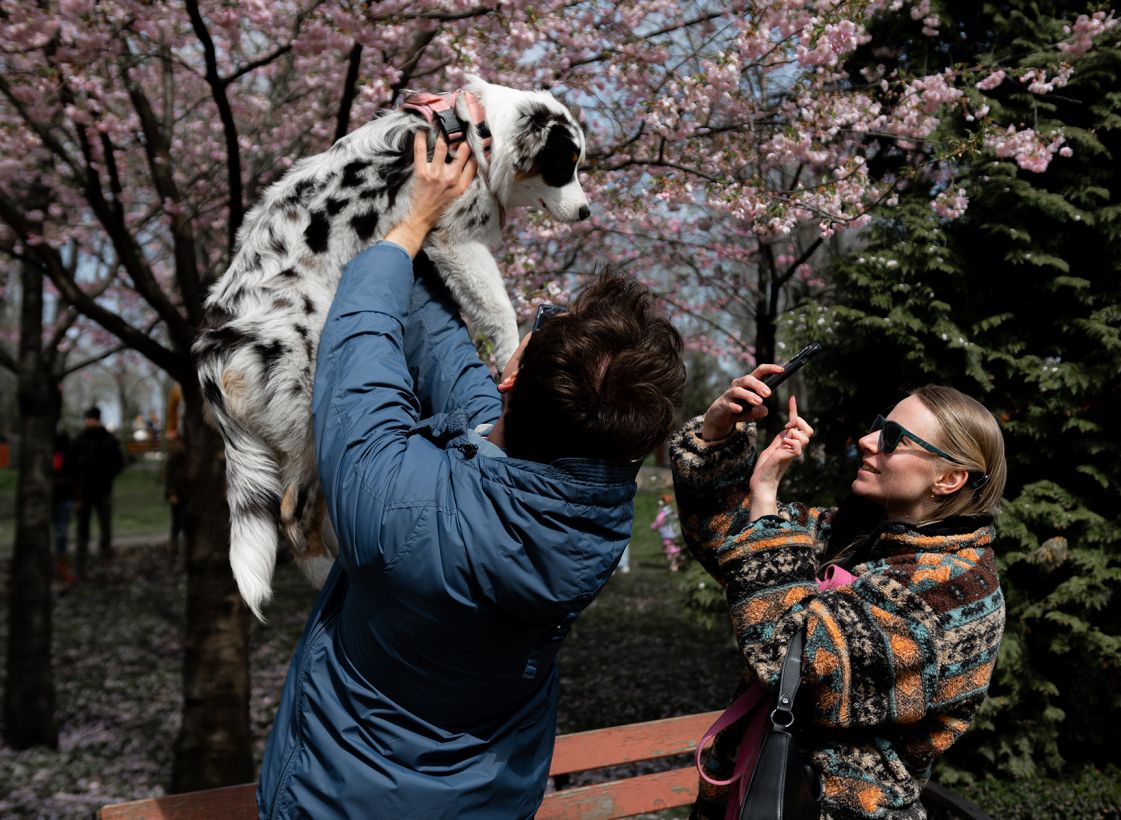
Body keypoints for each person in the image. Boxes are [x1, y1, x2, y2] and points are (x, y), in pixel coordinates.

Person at [257, 132, 686, 819]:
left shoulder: (399, 507)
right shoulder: (590, 518)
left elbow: (360, 355)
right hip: (488, 801)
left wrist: (412, 222)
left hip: (342, 800)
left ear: (512, 378)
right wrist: (429, 238)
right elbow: (457, 375)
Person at [669, 367, 1007, 818]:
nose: (867, 442)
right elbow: (734, 546)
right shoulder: (860, 538)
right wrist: (716, 436)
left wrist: (767, 498)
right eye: (878, 427)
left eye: (892, 438)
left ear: (949, 479)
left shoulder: (953, 592)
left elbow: (791, 656)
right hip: (757, 788)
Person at [71, 406, 125, 575]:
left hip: (103, 490)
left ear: (97, 419)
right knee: (82, 526)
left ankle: (106, 555)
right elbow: (72, 466)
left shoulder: (109, 440)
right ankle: (82, 556)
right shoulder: (80, 440)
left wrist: (106, 476)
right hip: (84, 491)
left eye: (90, 418)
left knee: (105, 524)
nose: (88, 421)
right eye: (86, 419)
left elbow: (119, 464)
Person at [52, 428, 76, 586]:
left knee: (61, 532)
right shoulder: (48, 455)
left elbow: (72, 476)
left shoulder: (67, 456)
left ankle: (62, 564)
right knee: (59, 532)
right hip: (52, 499)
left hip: (64, 499)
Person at [162, 428, 188, 560]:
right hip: (178, 493)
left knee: (180, 522)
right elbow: (169, 473)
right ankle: (175, 547)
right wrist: (171, 493)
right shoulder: (176, 449)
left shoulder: (182, 447)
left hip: (183, 492)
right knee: (178, 522)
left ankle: (178, 547)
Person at [651, 493, 686, 571]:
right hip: (676, 533)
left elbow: (658, 522)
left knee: (669, 549)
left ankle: (674, 564)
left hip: (667, 535)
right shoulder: (673, 511)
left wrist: (653, 527)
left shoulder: (662, 514)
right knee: (676, 547)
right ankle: (678, 561)